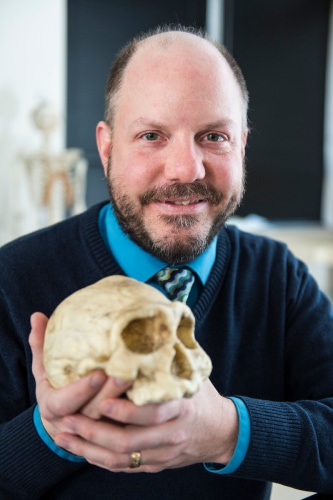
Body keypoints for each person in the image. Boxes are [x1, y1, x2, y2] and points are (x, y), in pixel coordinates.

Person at [0, 24, 332, 500]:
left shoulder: (279, 277)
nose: (185, 170)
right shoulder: (12, 279)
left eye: (214, 136)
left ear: (241, 146)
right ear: (107, 146)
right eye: (152, 134)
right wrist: (55, 432)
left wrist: (228, 431)